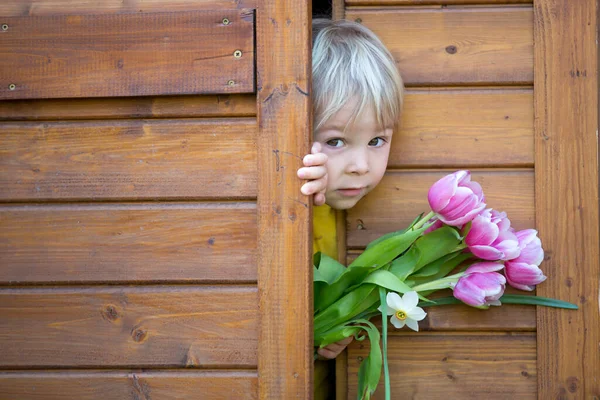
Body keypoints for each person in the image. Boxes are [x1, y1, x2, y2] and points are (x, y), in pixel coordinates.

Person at [297, 18, 405, 399]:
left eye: (376, 140)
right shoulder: (299, 196)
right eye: (337, 141)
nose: (361, 164)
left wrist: (335, 327)